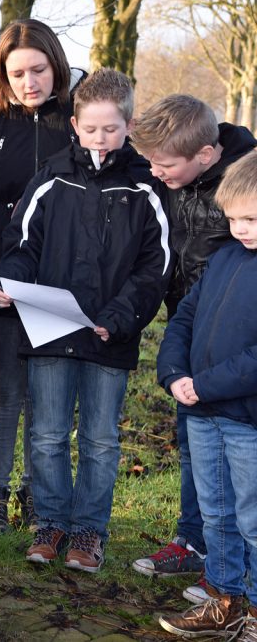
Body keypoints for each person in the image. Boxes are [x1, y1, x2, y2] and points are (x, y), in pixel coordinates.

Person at [0, 69, 171, 573]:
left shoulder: (144, 187)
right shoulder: (51, 177)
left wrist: (119, 317)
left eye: (110, 129)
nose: (99, 138)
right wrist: (6, 282)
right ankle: (50, 524)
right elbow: (22, 244)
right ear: (74, 123)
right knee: (46, 434)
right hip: (51, 331)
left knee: (100, 439)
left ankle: (89, 531)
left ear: (129, 125)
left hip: (111, 336)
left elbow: (156, 267)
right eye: (90, 129)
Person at [0, 19, 84, 536]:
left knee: (48, 393)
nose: (29, 82)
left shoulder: (76, 115)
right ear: (2, 74)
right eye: (17, 72)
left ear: (56, 64)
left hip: (58, 274)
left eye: (39, 70)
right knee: (3, 390)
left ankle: (37, 491)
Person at [130, 94, 257, 600]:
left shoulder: (239, 191)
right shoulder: (177, 188)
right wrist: (174, 368)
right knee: (204, 472)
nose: (156, 174)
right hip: (196, 363)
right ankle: (209, 566)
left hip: (237, 389)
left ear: (206, 156)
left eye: (165, 164)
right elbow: (182, 298)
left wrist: (202, 381)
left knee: (245, 501)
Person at [155, 151, 257, 640]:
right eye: (234, 218)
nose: (241, 229)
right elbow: (184, 318)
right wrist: (174, 372)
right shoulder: (223, 258)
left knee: (252, 517)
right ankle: (224, 601)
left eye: (252, 218)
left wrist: (205, 384)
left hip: (246, 418)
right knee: (214, 513)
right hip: (201, 412)